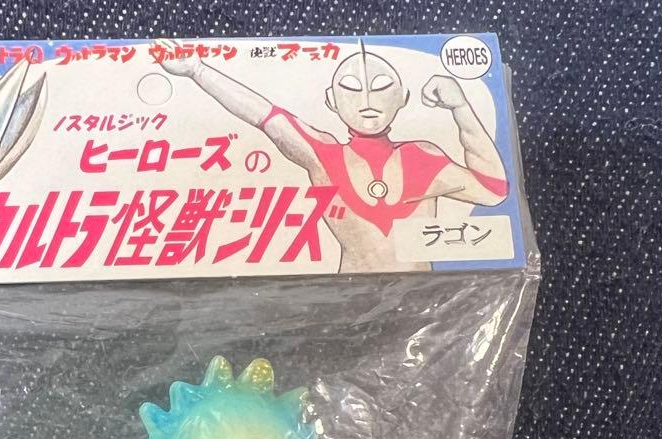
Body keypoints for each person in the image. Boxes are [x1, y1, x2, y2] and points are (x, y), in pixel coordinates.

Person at [159, 40, 509, 271]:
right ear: (331, 100)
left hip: (420, 308)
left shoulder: (422, 157)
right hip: (350, 307)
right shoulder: (324, 154)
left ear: (403, 97)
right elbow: (263, 114)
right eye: (352, 89)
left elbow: (493, 189)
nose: (366, 100)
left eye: (382, 88)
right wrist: (197, 70)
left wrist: (461, 107)